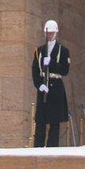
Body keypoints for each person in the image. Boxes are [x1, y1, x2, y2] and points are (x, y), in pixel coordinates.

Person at [31, 19, 70, 147]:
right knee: (41, 121)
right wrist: (39, 84)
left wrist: (52, 63)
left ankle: (52, 147)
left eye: (52, 33)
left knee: (54, 122)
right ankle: (38, 147)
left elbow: (65, 70)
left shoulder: (63, 51)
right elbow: (35, 69)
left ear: (56, 33)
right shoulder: (39, 51)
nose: (49, 35)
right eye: (48, 33)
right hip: (44, 85)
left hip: (56, 87)